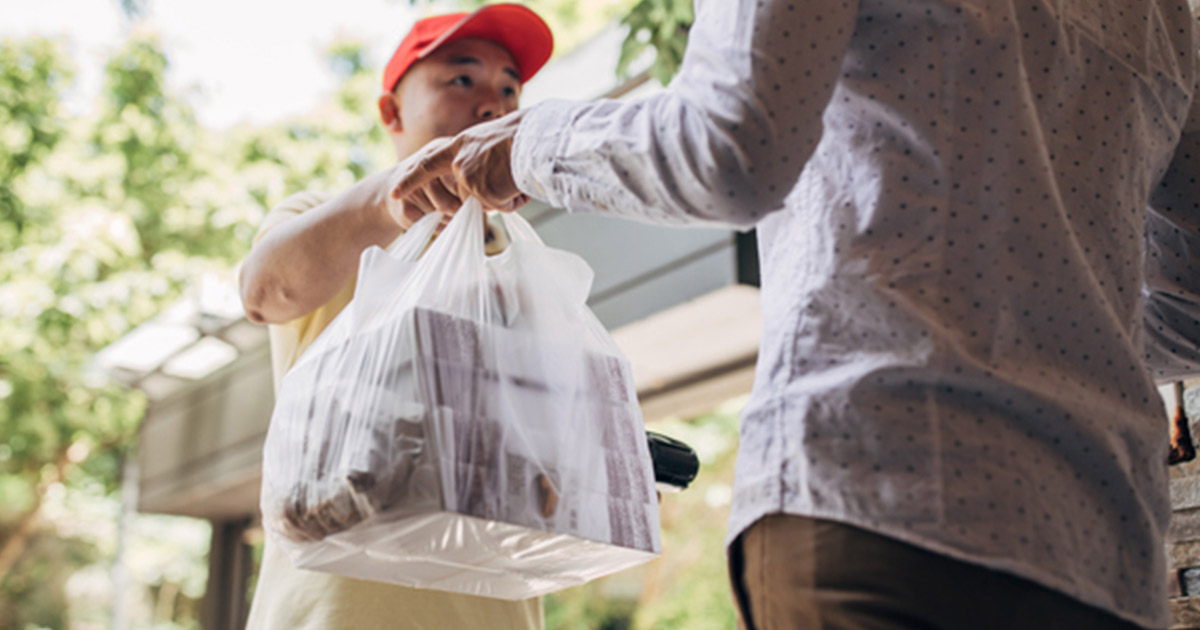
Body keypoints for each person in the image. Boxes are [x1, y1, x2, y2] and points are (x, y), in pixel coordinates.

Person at [392, 1, 1200, 628]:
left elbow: (726, 150)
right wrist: (1054, 320)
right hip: (1103, 540)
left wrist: (521, 145)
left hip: (883, 489)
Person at [238, 5, 552, 629]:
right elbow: (263, 291)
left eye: (510, 88)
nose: (492, 102)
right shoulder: (328, 217)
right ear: (391, 111)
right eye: (460, 78)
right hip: (334, 607)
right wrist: (392, 199)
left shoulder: (526, 270)